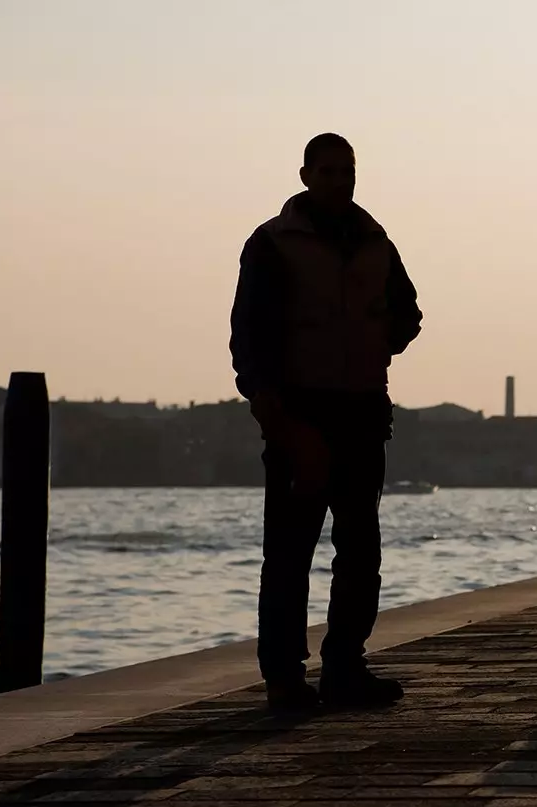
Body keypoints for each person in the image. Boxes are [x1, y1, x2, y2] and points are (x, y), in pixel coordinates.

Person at [229, 133, 423, 712]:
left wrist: (375, 343)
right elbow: (248, 341)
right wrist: (277, 416)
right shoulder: (271, 245)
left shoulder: (375, 241)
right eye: (330, 171)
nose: (341, 181)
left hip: (363, 412)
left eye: (349, 171)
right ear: (306, 175)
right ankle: (285, 678)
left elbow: (409, 312)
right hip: (299, 417)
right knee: (289, 553)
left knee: (360, 551)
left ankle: (345, 667)